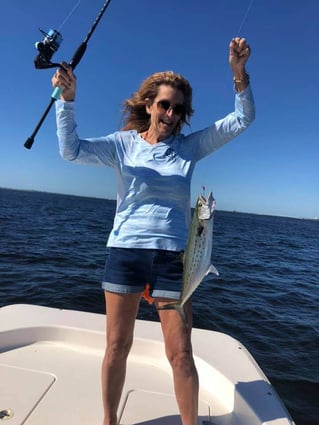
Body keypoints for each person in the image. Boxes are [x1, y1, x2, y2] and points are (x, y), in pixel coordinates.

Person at [52, 37, 255, 425]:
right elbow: (71, 151)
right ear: (149, 105)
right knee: (116, 346)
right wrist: (67, 100)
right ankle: (110, 420)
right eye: (164, 105)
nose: (171, 113)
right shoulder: (123, 145)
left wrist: (239, 75)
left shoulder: (189, 148)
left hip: (173, 260)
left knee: (181, 353)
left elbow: (241, 120)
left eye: (178, 108)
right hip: (125, 253)